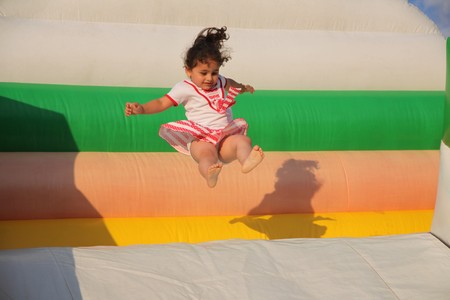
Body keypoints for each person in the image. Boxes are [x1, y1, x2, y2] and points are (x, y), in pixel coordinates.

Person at [125, 26, 264, 188]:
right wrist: (141, 109)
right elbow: (162, 102)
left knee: (243, 140)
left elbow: (231, 84)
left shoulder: (220, 82)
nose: (210, 78)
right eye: (203, 73)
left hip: (225, 137)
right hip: (201, 138)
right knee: (207, 156)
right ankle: (210, 174)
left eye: (214, 72)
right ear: (188, 71)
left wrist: (242, 88)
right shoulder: (184, 88)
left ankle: (246, 161)